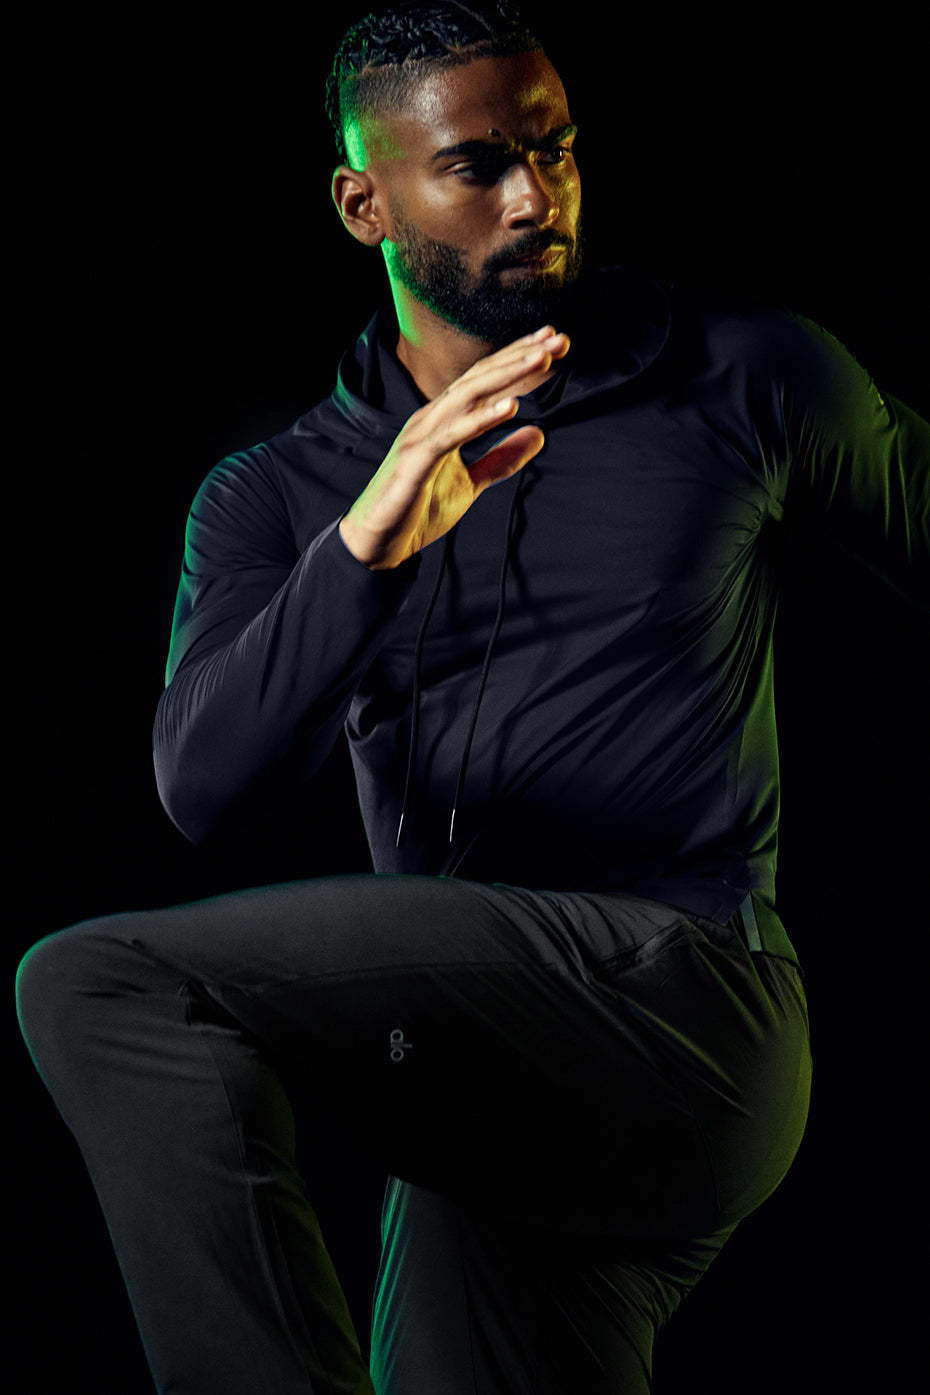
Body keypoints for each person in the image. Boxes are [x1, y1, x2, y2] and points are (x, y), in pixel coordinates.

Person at [15, 3, 928, 1392]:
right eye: (478, 165)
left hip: (686, 1009)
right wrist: (364, 553)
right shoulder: (276, 496)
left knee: (103, 983)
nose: (534, 199)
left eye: (554, 152)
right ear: (364, 205)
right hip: (475, 1078)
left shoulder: (746, 377)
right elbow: (200, 789)